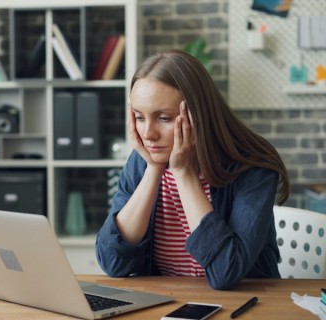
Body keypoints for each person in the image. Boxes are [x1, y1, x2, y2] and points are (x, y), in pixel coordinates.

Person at [95, 50, 290, 290]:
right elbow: (112, 262)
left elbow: (225, 273)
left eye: (164, 118)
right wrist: (153, 169)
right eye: (139, 117)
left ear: (199, 114)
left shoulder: (252, 166)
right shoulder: (143, 160)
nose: (148, 134)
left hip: (245, 306)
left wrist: (184, 173)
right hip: (168, 302)